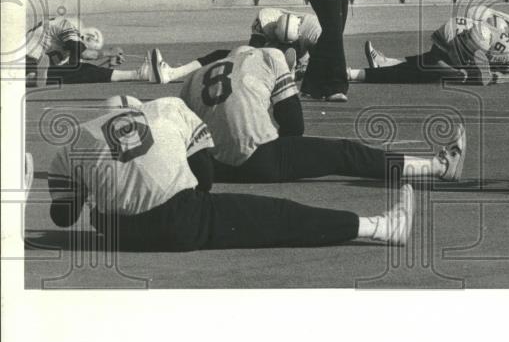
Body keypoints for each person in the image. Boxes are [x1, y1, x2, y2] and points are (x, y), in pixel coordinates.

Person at [48, 95, 415, 250]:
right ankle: (378, 227)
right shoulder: (165, 109)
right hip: (180, 221)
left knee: (102, 213)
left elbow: (63, 218)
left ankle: (378, 227)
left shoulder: (73, 142)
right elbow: (204, 170)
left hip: (122, 236)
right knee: (277, 217)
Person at [178, 45, 465, 182]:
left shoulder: (192, 80)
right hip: (258, 159)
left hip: (218, 169)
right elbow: (294, 127)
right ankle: (438, 168)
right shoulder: (268, 57)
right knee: (345, 153)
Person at [137, 7, 321, 84]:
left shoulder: (312, 29)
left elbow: (325, 58)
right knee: (235, 56)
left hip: (303, 58)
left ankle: (173, 73)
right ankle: (173, 73)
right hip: (275, 57)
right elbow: (251, 54)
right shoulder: (265, 19)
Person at [356, 16, 509, 85]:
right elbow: (435, 57)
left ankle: (383, 64)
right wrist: (452, 73)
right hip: (453, 63)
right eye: (467, 49)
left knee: (421, 68)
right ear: (464, 36)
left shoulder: (505, 46)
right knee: (424, 70)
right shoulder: (454, 28)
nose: (470, 55)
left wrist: (497, 78)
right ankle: (365, 71)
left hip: (486, 67)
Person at [25, 16, 156, 86]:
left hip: (30, 64)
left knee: (74, 71)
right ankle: (137, 74)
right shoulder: (67, 24)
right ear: (84, 37)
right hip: (26, 58)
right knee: (76, 70)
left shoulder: (63, 46)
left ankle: (30, 78)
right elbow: (83, 54)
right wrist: (108, 52)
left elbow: (81, 64)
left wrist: (107, 64)